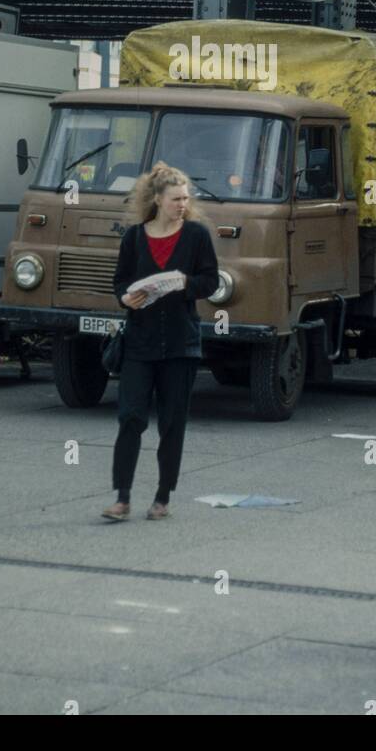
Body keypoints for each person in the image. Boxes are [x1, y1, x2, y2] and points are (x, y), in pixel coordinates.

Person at [102, 161, 219, 523]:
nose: (182, 205)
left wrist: (185, 283)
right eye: (175, 199)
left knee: (172, 423)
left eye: (185, 199)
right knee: (131, 418)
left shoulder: (197, 236)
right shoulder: (134, 237)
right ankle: (122, 498)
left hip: (181, 345)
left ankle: (163, 497)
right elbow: (120, 281)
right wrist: (125, 298)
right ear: (156, 199)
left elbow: (211, 281)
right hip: (140, 343)